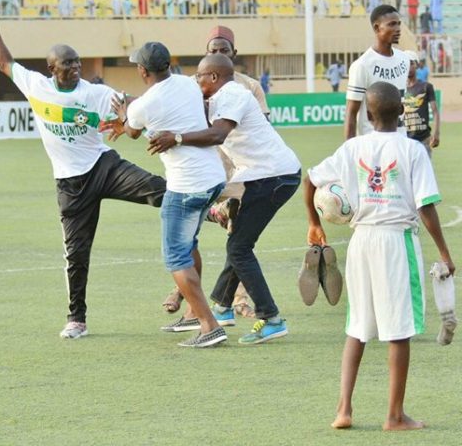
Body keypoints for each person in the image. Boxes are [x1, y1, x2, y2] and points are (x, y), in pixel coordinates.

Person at [0, 0, 167, 339]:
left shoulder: (95, 93)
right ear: (53, 69)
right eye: (69, 64)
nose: (76, 67)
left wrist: (150, 110)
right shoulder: (36, 86)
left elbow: (131, 105)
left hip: (102, 167)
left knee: (157, 189)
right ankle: (76, 319)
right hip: (69, 184)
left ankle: (215, 212)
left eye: (78, 61)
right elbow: (4, 63)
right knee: (76, 255)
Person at [304, 81, 455, 431]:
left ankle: (343, 410)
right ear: (402, 110)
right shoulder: (413, 150)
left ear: (368, 115)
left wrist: (313, 222)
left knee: (357, 328)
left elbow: (310, 180)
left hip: (361, 242)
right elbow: (426, 206)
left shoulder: (352, 147)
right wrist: (445, 254)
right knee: (398, 330)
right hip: (396, 241)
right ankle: (394, 416)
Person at [149, 54, 301, 344]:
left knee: (239, 247)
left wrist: (177, 139)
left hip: (274, 177)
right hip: (260, 177)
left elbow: (218, 134)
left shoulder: (234, 94)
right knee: (238, 243)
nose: (197, 81)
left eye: (200, 76)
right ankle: (222, 306)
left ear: (214, 78)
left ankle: (271, 319)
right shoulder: (216, 98)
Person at [111, 42, 228, 348]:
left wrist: (124, 114)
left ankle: (209, 326)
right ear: (169, 64)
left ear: (142, 70)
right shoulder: (188, 84)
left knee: (176, 256)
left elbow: (133, 131)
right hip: (213, 178)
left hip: (186, 186)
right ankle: (193, 314)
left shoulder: (144, 105)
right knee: (189, 246)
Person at [162, 25, 270, 319]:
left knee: (239, 237)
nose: (220, 54)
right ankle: (184, 290)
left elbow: (263, 129)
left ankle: (239, 297)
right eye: (214, 50)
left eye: (225, 50)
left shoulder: (250, 87)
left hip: (240, 172)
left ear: (234, 53)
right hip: (202, 168)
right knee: (185, 228)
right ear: (205, 55)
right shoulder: (191, 85)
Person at [344, 5, 409, 139]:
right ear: (376, 28)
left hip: (400, 141)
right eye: (392, 24)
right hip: (372, 147)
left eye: (398, 24)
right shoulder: (362, 65)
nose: (398, 29)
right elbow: (351, 113)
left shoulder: (404, 60)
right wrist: (349, 152)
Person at [403, 50, 440, 156]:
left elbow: (435, 111)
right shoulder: (400, 88)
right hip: (406, 140)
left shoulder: (426, 87)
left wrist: (436, 133)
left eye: (411, 63)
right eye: (405, 64)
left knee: (425, 172)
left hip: (424, 140)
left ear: (417, 65)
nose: (408, 67)